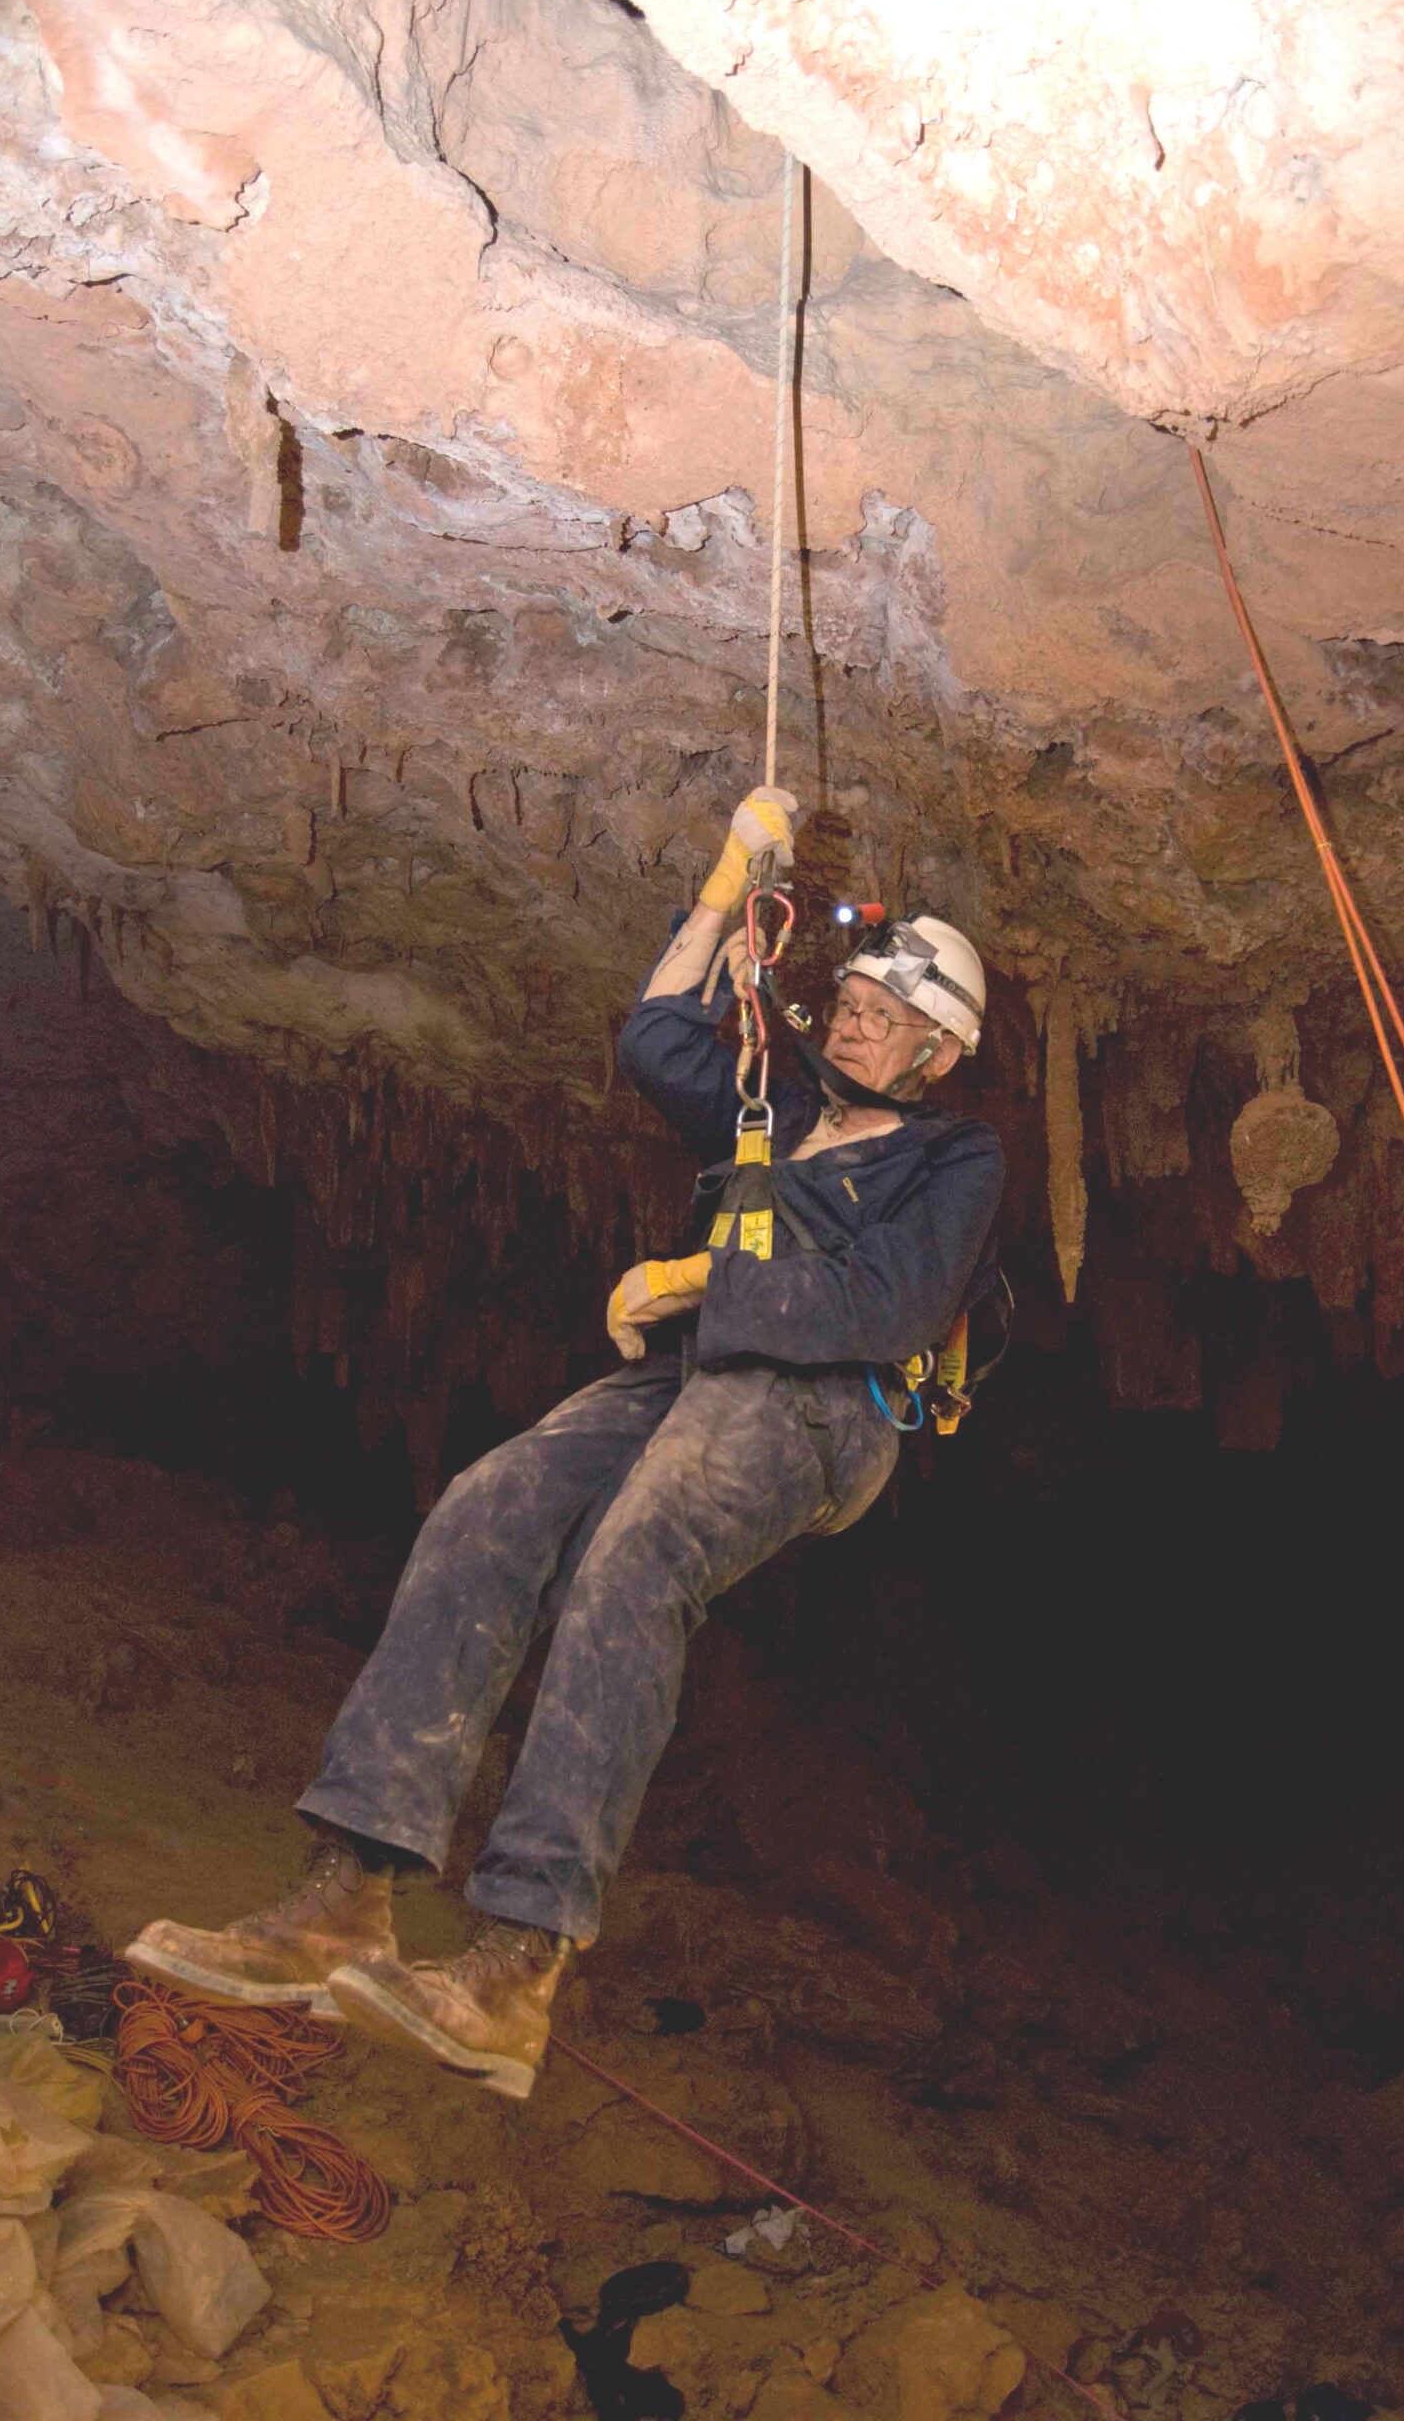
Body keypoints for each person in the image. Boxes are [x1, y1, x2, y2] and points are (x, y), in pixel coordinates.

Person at [127, 787, 1005, 2101]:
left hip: (823, 1409)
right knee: (488, 1507)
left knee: (634, 1559)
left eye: (892, 1017)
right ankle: (343, 1893)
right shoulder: (772, 1107)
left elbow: (886, 1311)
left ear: (936, 1056)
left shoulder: (950, 1158)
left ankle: (516, 1965)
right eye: (858, 999)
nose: (859, 1018)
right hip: (706, 1381)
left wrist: (695, 1276)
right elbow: (657, 1037)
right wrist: (724, 884)